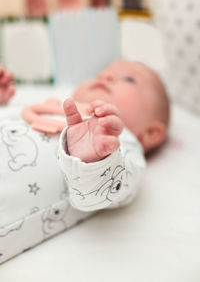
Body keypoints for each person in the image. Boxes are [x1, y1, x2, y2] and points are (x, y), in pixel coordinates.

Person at [0, 60, 170, 212]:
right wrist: (4, 104)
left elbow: (107, 191)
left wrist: (94, 160)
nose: (106, 76)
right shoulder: (51, 107)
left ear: (150, 133)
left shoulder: (121, 144)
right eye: (99, 73)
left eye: (129, 79)